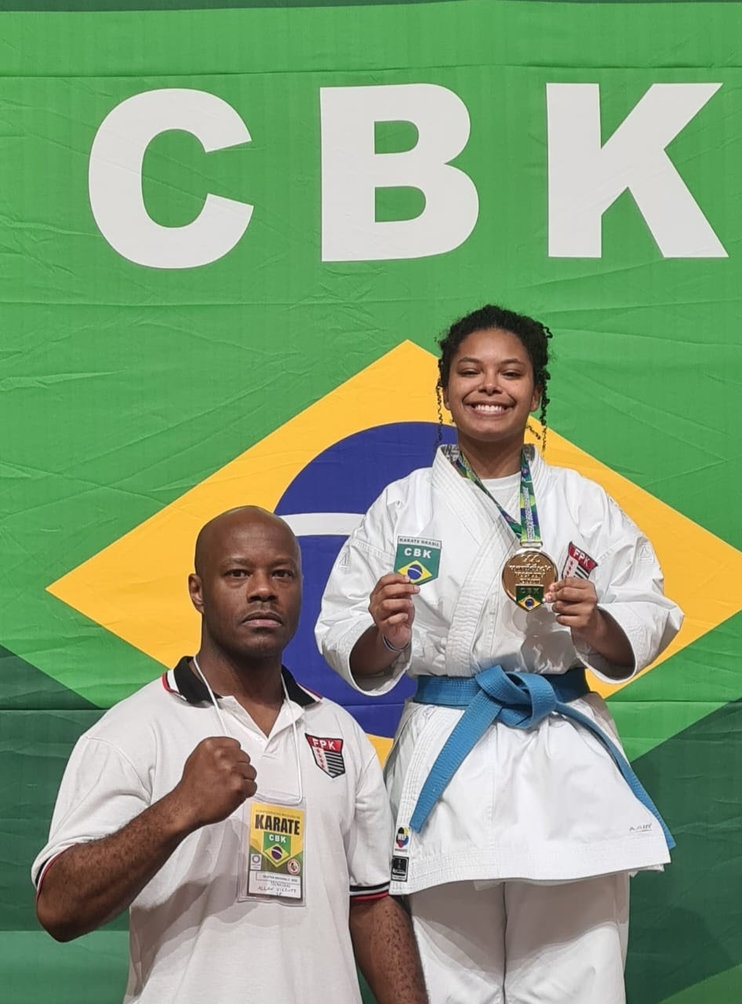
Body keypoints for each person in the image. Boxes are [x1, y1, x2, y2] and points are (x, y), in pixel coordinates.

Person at [315, 305, 684, 1004]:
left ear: (536, 392)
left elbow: (647, 614)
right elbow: (344, 641)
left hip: (561, 754)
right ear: (444, 388)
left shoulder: (584, 502)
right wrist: (386, 633)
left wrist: (593, 620)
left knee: (580, 979)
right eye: (471, 371)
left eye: (511, 372)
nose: (491, 386)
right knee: (451, 984)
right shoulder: (403, 507)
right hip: (449, 757)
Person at [33, 506, 427, 1004]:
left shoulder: (339, 733)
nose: (263, 589)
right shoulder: (134, 729)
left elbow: (372, 905)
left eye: (281, 574)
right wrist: (178, 809)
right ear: (198, 591)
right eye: (238, 573)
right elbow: (59, 908)